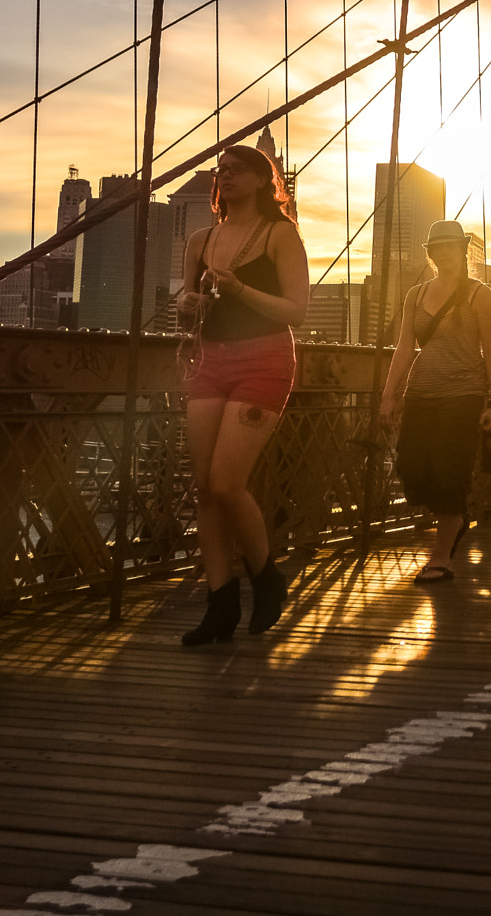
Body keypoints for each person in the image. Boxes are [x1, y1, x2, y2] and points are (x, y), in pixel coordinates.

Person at [174, 145, 310, 645]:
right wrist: (187, 305)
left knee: (228, 483)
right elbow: (187, 315)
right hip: (209, 362)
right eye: (220, 172)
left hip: (264, 360)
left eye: (235, 171)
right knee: (205, 488)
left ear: (261, 180)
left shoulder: (280, 234)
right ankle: (220, 604)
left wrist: (238, 290)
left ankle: (267, 577)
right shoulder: (199, 240)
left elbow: (296, 310)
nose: (224, 177)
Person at [379, 221, 491, 583]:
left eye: (451, 246)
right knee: (412, 469)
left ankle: (441, 556)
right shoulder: (416, 295)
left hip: (462, 395)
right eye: (437, 247)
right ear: (430, 253)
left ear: (463, 250)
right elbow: (405, 347)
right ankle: (456, 519)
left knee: (450, 474)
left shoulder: (479, 294)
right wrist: (389, 395)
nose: (444, 253)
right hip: (419, 393)